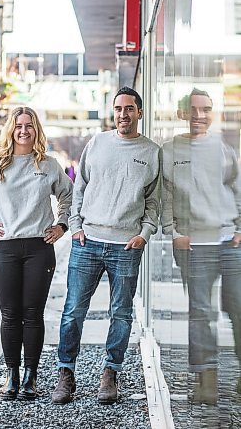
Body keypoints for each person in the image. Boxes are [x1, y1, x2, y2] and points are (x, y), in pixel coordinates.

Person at [0, 106, 73, 401]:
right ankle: (12, 374)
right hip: (5, 249)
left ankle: (31, 376)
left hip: (38, 249)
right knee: (10, 315)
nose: (23, 130)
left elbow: (70, 195)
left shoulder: (47, 165)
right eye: (19, 125)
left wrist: (62, 224)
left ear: (36, 130)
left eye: (29, 126)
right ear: (11, 129)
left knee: (33, 314)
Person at [52, 86, 160, 405]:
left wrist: (145, 233)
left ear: (139, 113)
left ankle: (110, 373)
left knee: (122, 314)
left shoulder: (152, 152)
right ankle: (65, 374)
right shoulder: (97, 143)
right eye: (118, 109)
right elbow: (80, 187)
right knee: (73, 312)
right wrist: (75, 226)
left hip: (126, 245)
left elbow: (154, 201)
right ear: (112, 112)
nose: (122, 114)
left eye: (129, 109)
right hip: (88, 241)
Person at [162, 88, 241, 404]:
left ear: (212, 113)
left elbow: (236, 188)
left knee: (238, 310)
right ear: (182, 113)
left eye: (206, 109)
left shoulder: (223, 148)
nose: (199, 115)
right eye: (193, 110)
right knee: (201, 314)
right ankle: (205, 380)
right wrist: (173, 232)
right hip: (195, 247)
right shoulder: (169, 151)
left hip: (228, 244)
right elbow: (164, 196)